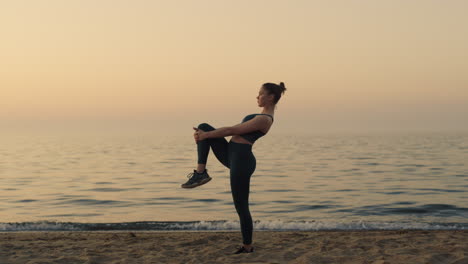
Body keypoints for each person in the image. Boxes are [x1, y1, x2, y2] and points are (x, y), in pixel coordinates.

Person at [181, 82, 287, 254]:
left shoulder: (264, 119)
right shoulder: (259, 115)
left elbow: (232, 129)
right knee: (203, 126)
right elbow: (227, 131)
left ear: (271, 97)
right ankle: (201, 173)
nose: (257, 97)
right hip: (231, 153)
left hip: (242, 160)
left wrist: (206, 136)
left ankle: (247, 246)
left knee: (241, 206)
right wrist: (203, 135)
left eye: (260, 94)